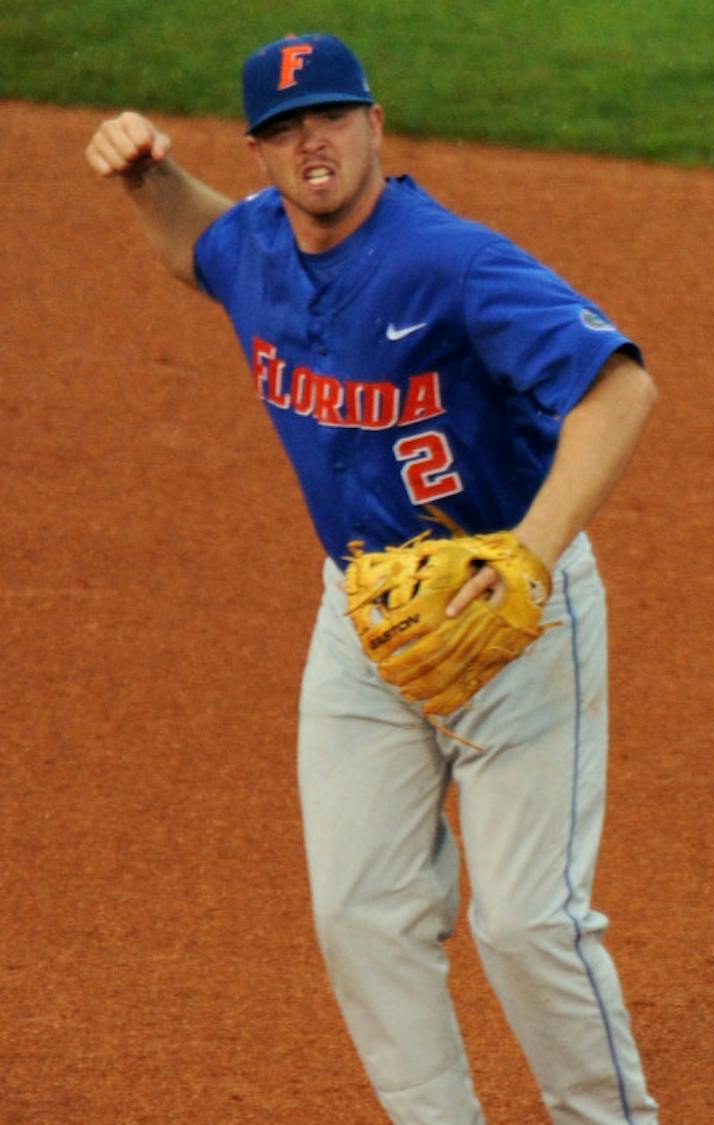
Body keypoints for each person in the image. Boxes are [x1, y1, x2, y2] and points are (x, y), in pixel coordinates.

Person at [84, 32, 658, 1125]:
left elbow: (619, 388)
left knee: (528, 923)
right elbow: (197, 249)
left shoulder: (452, 260)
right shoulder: (254, 245)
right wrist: (146, 177)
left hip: (511, 613)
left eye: (334, 118)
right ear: (259, 151)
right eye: (288, 129)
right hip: (361, 618)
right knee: (359, 912)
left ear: (376, 126)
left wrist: (529, 554)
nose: (315, 142)